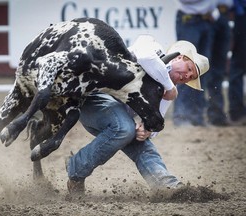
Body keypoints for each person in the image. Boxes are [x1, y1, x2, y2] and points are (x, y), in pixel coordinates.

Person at [65, 36, 210, 195]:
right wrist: (169, 87)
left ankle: (168, 187)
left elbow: (156, 121)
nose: (187, 76)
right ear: (180, 57)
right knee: (124, 129)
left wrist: (147, 129)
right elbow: (145, 57)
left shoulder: (169, 90)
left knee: (142, 143)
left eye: (191, 77)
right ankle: (75, 169)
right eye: (189, 69)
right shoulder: (152, 46)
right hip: (95, 97)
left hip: (114, 110)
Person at [172, 0, 217, 126]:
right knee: (184, 70)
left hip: (205, 19)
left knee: (200, 71)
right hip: (190, 19)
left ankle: (196, 116)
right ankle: (182, 116)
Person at [207, 0, 233, 126]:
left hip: (224, 14)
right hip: (206, 14)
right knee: (199, 68)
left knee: (218, 70)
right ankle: (194, 116)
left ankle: (216, 114)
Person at [228, 0, 246, 124]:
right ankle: (237, 113)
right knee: (238, 67)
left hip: (242, 15)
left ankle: (237, 113)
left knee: (238, 68)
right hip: (242, 16)